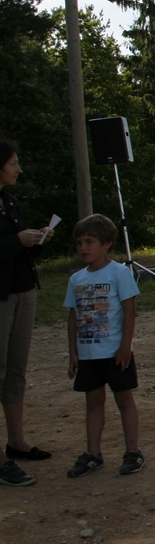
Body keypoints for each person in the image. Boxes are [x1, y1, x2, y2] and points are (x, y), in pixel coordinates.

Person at [62, 215, 144, 478]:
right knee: (93, 402)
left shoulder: (119, 272)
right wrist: (73, 352)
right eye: (79, 243)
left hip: (114, 352)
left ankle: (133, 451)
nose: (83, 248)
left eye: (90, 242)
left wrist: (125, 347)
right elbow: (73, 315)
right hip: (88, 353)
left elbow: (129, 311)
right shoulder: (76, 279)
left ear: (107, 243)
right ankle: (93, 453)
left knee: (124, 400)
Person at [0, 140, 54, 487]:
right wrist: (16, 241)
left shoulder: (9, 201)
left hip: (22, 291)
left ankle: (17, 441)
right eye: (14, 163)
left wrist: (35, 239)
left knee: (15, 371)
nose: (19, 169)